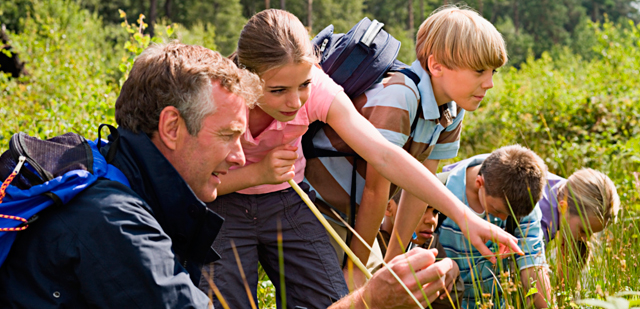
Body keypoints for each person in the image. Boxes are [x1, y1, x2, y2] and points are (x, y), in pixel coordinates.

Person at [200, 8, 521, 309]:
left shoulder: (320, 91)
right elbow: (194, 182)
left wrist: (466, 218)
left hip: (287, 201)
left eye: (304, 85)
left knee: (336, 301)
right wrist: (259, 173)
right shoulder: (221, 101)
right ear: (247, 80)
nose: (295, 101)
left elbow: (383, 154)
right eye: (279, 90)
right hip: (225, 202)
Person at [0, 42, 260, 307]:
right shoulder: (114, 220)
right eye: (227, 135)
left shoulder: (109, 162)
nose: (239, 156)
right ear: (171, 128)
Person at [301, 6, 509, 280]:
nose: (490, 83)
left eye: (493, 71)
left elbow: (420, 189)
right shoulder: (401, 95)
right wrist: (354, 270)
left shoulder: (452, 110)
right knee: (344, 291)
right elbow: (376, 190)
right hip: (319, 206)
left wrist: (393, 263)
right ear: (437, 66)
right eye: (480, 71)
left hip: (354, 214)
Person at [436, 145, 552, 308]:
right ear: (479, 183)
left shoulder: (523, 199)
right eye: (498, 210)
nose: (504, 220)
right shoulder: (437, 192)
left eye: (511, 217)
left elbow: (533, 266)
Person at [536, 169, 619, 287]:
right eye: (583, 230)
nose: (585, 239)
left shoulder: (567, 191)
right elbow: (532, 279)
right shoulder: (540, 220)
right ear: (563, 208)